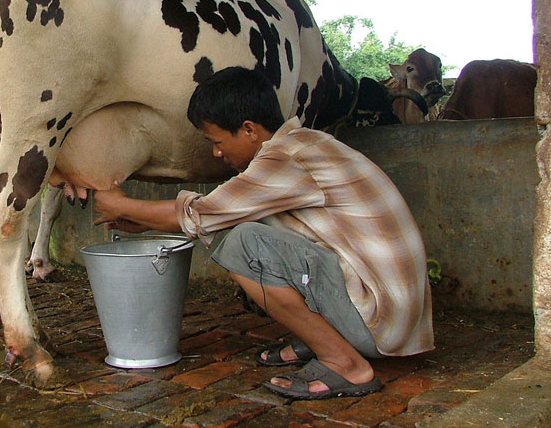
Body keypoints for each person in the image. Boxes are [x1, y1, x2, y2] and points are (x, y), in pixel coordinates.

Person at [93, 66, 434, 400]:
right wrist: (144, 219)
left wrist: (120, 205)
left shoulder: (285, 156)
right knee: (241, 227)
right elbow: (218, 213)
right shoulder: (303, 144)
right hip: (393, 316)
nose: (216, 152)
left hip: (379, 323)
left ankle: (344, 362)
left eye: (217, 141)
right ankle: (320, 337)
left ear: (249, 130)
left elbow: (204, 213)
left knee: (243, 243)